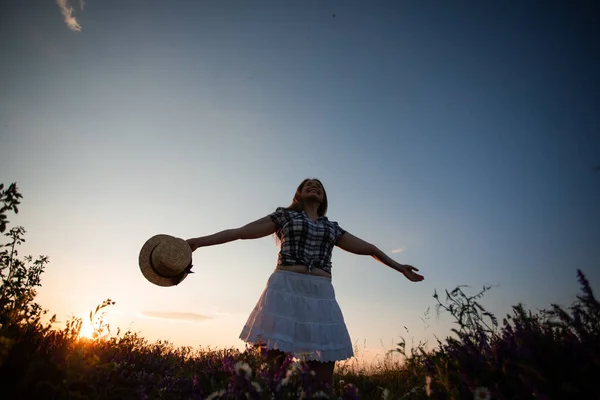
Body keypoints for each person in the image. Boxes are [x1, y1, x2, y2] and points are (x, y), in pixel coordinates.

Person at [186, 178, 424, 387]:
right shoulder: (285, 216)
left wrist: (399, 267)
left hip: (320, 295)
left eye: (319, 186)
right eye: (308, 185)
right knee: (272, 372)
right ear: (298, 195)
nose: (314, 186)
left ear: (323, 199)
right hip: (284, 289)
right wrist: (197, 241)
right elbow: (239, 232)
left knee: (322, 376)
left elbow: (370, 249)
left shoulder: (332, 227)